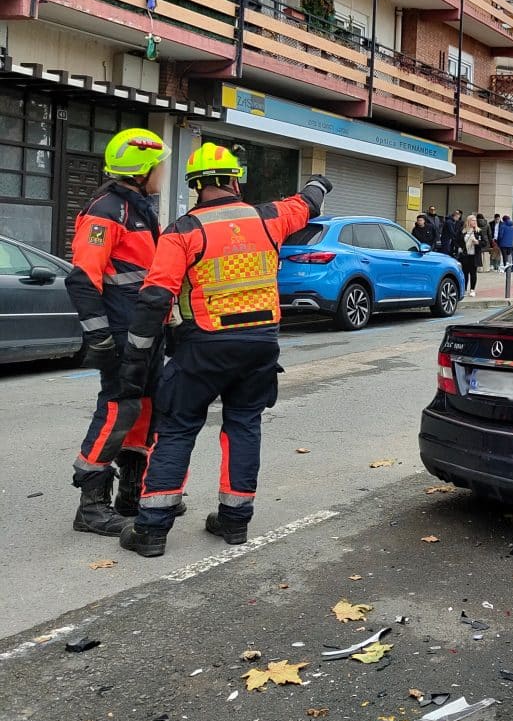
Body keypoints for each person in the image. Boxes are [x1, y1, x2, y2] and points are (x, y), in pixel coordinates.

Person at [114, 145, 332, 557]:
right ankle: (233, 523)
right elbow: (308, 203)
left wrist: (136, 358)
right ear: (235, 181)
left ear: (195, 186)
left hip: (202, 347)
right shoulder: (269, 217)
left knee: (177, 428)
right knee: (244, 425)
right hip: (260, 346)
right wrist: (318, 182)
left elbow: (154, 298)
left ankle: (152, 531)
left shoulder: (181, 231)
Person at [65, 128, 173, 535]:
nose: (162, 171)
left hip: (144, 333)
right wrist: (100, 338)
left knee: (146, 408)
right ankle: (91, 505)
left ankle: (131, 492)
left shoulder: (137, 206)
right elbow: (82, 280)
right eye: (159, 165)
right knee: (118, 409)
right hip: (121, 335)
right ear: (142, 169)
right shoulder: (106, 211)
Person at [459, 213, 481, 296]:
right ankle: (464, 289)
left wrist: (477, 242)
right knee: (464, 273)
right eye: (473, 220)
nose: (474, 222)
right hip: (465, 255)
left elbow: (485, 243)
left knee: (473, 273)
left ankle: (472, 289)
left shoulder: (478, 231)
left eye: (475, 220)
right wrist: (459, 247)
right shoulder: (463, 231)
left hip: (474, 255)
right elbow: (458, 240)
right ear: (468, 221)